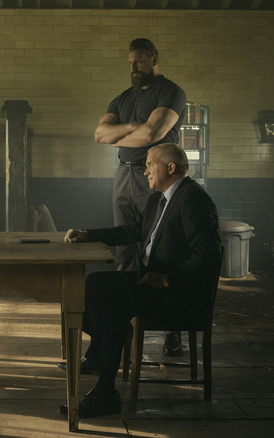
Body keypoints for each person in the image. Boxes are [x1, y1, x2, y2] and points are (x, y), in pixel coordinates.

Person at [58, 144, 221, 418]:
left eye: (150, 165)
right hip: (150, 282)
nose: (144, 171)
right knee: (94, 284)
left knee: (114, 304)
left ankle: (105, 393)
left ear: (170, 168)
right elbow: (133, 230)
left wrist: (168, 278)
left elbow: (209, 255)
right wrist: (89, 234)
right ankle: (102, 352)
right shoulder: (158, 198)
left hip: (177, 294)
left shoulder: (193, 199)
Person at [94, 38, 188, 355]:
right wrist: (134, 124)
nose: (133, 67)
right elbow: (99, 135)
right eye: (130, 62)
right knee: (125, 254)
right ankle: (124, 332)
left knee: (161, 250)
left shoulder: (171, 92)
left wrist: (122, 132)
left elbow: (153, 134)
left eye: (139, 61)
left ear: (154, 59)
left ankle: (172, 328)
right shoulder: (124, 98)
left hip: (156, 177)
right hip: (124, 174)